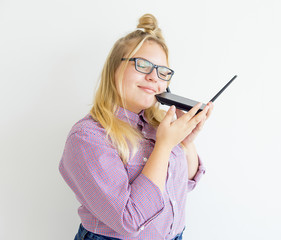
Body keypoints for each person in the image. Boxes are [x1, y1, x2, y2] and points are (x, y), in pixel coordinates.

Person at [59, 13, 213, 240]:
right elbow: (129, 220)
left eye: (162, 71)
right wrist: (164, 146)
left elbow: (184, 185)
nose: (154, 77)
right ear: (114, 70)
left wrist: (185, 142)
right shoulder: (88, 137)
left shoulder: (159, 126)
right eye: (142, 65)